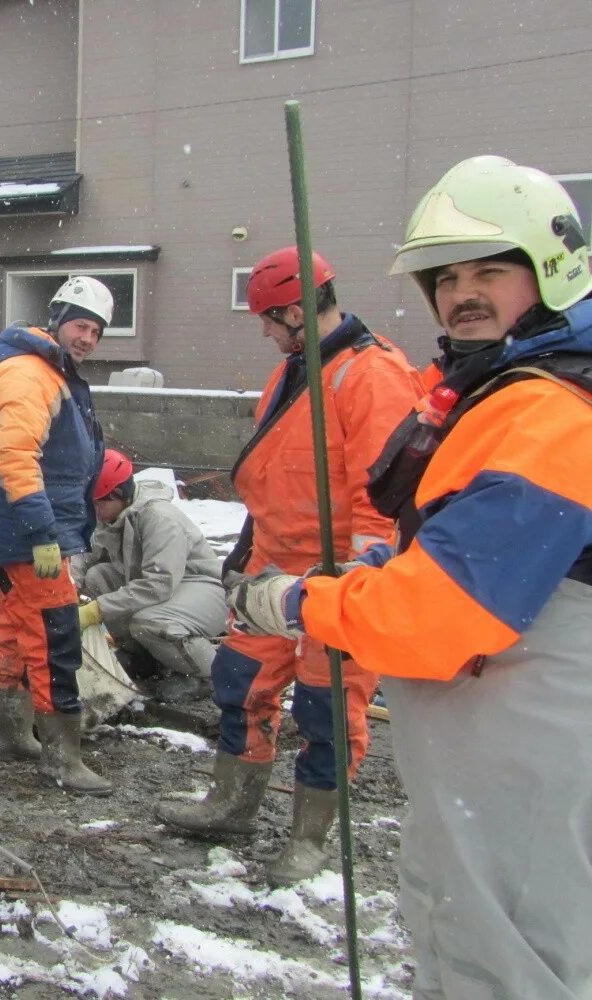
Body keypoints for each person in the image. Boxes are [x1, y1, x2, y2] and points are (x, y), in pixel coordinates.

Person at [231, 156, 592, 999]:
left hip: (504, 709)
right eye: (448, 276)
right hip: (458, 683)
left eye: (489, 272)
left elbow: (446, 606)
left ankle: (309, 831)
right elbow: (462, 529)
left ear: (550, 268)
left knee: (505, 948)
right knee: (466, 919)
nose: (463, 292)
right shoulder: (495, 388)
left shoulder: (545, 409)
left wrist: (308, 595)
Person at [155, 246, 421, 885]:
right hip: (272, 570)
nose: (266, 333)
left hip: (334, 582)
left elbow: (382, 498)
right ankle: (232, 804)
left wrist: (358, 584)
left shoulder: (372, 376)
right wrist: (247, 553)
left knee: (328, 713)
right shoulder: (294, 372)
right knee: (240, 682)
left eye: (272, 320)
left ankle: (310, 837)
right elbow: (269, 471)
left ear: (301, 310)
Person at [0, 276, 111, 794]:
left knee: (17, 629)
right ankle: (62, 757)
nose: (88, 338)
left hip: (27, 530)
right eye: (81, 324)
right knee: (55, 636)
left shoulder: (50, 371)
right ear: (57, 320)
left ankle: (9, 732)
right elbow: (12, 453)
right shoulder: (32, 372)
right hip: (34, 533)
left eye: (97, 330)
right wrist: (43, 531)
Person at [74, 449, 226, 703]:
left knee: (148, 622)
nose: (95, 510)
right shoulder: (113, 516)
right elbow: (87, 553)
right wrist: (68, 582)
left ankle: (208, 676)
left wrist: (96, 610)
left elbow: (159, 583)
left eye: (100, 503)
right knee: (97, 576)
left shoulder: (159, 518)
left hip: (201, 587)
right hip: (167, 586)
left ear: (120, 495)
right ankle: (143, 659)